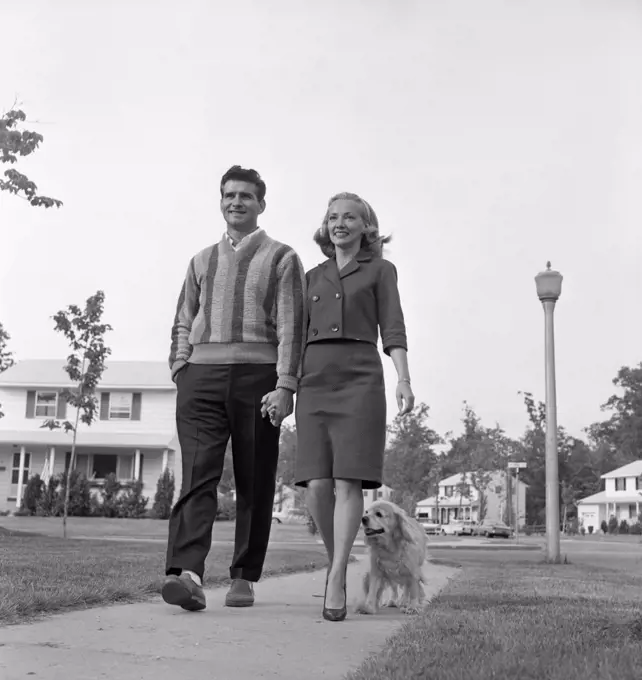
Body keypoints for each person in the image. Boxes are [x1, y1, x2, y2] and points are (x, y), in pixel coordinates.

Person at [162, 165, 306, 612]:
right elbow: (184, 318)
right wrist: (180, 368)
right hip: (200, 378)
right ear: (220, 201)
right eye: (229, 195)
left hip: (259, 378)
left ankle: (243, 576)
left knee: (255, 476)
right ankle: (186, 574)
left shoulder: (283, 257)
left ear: (261, 204)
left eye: (245, 195)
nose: (236, 202)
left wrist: (285, 385)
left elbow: (291, 324)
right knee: (197, 476)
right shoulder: (200, 260)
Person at [293, 192, 415, 622]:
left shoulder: (381, 270)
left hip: (361, 378)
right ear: (325, 227)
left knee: (348, 483)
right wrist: (284, 385)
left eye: (349, 217)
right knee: (316, 487)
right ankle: (338, 563)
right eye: (332, 217)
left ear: (367, 227)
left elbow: (393, 326)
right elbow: (293, 336)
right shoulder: (309, 276)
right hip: (314, 379)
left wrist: (403, 378)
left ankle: (336, 576)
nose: (339, 223)